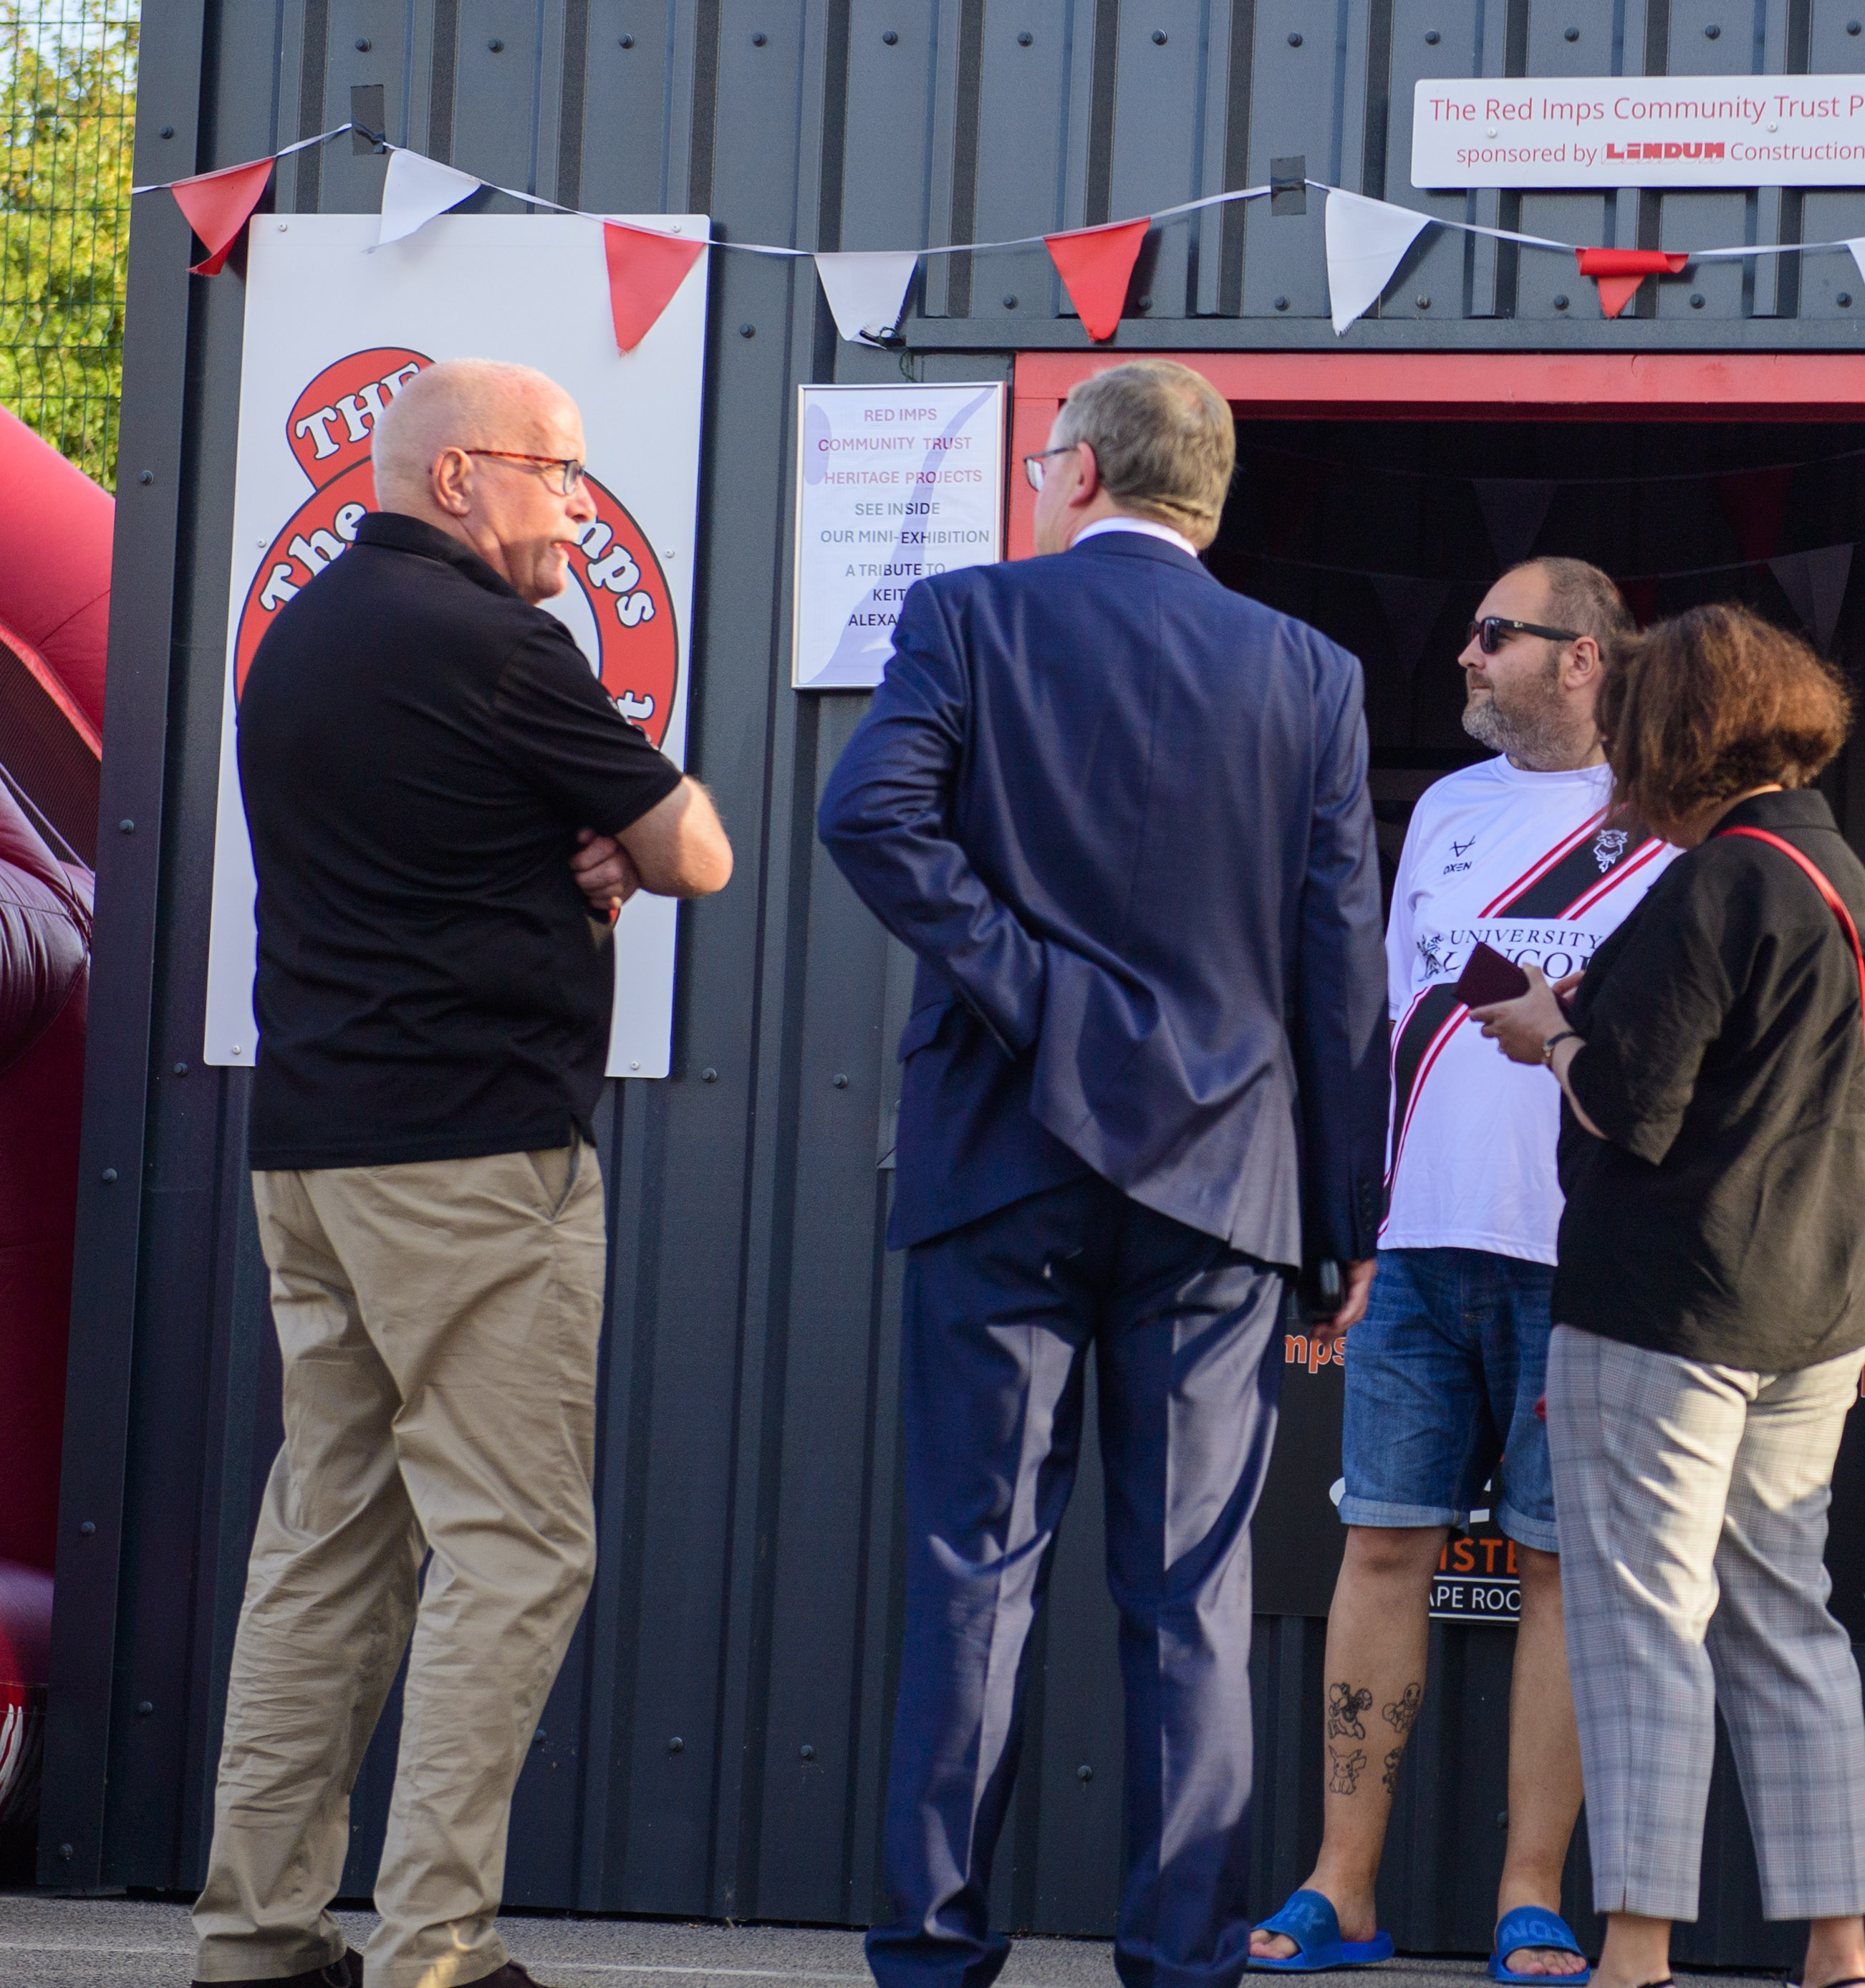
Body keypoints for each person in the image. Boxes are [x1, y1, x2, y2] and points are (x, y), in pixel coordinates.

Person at [817, 358, 1386, 1988]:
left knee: (970, 1571)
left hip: (1003, 1151)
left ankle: (930, 1952)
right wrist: (1341, 1221)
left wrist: (1025, 985)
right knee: (1191, 1591)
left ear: (1073, 471)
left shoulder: (970, 617)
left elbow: (869, 815)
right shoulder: (1311, 673)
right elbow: (1338, 967)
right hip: (1224, 1184)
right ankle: (1180, 1956)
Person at [196, 357, 735, 1988]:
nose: (576, 505)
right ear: (457, 477)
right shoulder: (501, 646)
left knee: (326, 1538)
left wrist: (579, 841)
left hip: (312, 1151)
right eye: (555, 472)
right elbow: (695, 845)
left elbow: (500, 839)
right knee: (513, 1542)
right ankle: (438, 1937)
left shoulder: (297, 639)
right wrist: (615, 842)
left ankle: (254, 1935)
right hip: (473, 1156)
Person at [1470, 605, 1865, 1988]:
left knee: (1641, 1617)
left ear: (1680, 732)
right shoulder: (1844, 877)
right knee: (1789, 1618)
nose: (1614, 754)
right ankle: (1837, 1951)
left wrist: (1550, 1036)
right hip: (1819, 1303)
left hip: (1666, 1299)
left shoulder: (1715, 880)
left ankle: (1636, 1951)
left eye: (1630, 730)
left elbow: (1627, 1101)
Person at [1248, 559, 1669, 1984]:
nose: (1465, 657)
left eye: (1494, 636)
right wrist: (1353, 1225)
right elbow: (1381, 1020)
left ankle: (1529, 1896)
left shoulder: (1673, 820)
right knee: (1378, 1543)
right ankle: (1340, 1885)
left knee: (1559, 1574)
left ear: (1585, 658)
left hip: (1586, 1260)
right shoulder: (1440, 806)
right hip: (1421, 1251)